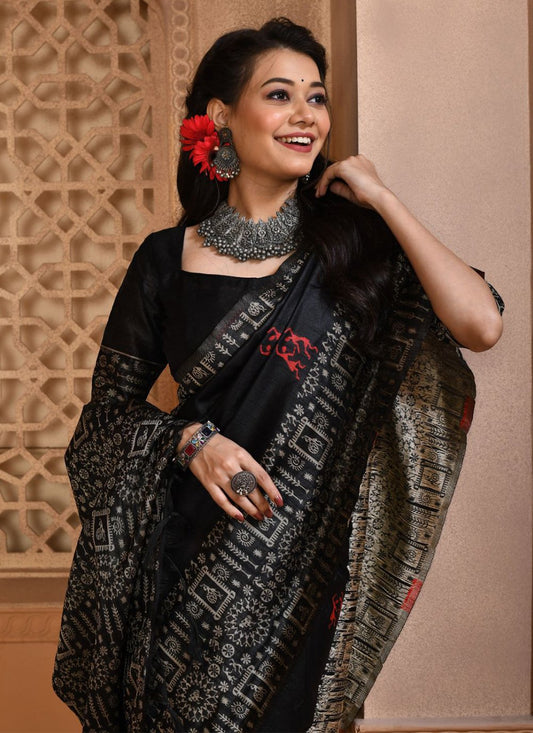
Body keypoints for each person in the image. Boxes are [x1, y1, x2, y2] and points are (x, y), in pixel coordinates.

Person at [53, 17, 503, 733]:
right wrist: (192, 442)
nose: (306, 115)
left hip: (305, 586)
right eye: (279, 94)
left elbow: (480, 324)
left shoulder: (355, 249)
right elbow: (104, 421)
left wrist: (383, 199)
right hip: (184, 578)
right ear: (221, 116)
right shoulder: (165, 261)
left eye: (315, 97)